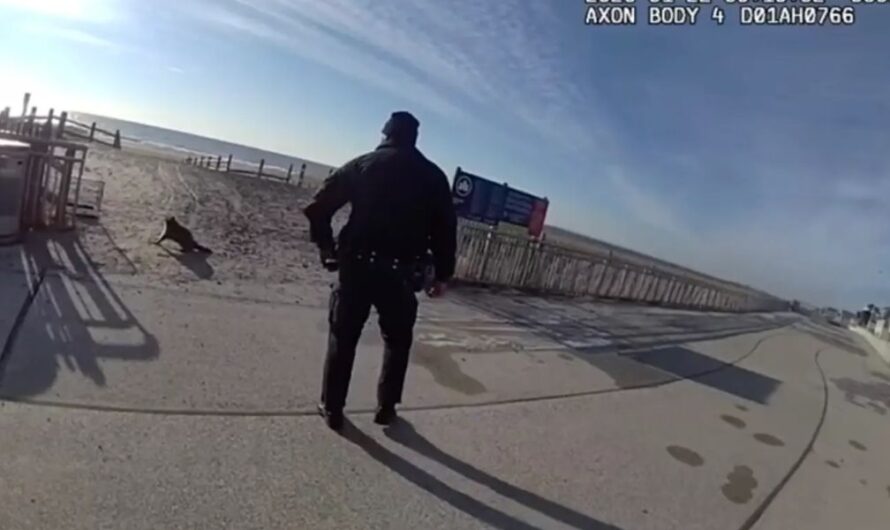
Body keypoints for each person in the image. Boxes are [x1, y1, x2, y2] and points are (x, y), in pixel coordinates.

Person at [303, 111, 457, 431]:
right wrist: (442, 275)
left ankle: (332, 408)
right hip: (401, 275)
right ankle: (386, 408)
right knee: (398, 341)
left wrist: (326, 248)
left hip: (356, 268)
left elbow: (318, 208)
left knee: (343, 338)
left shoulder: (363, 165)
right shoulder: (434, 177)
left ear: (386, 133)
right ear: (415, 139)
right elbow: (446, 232)